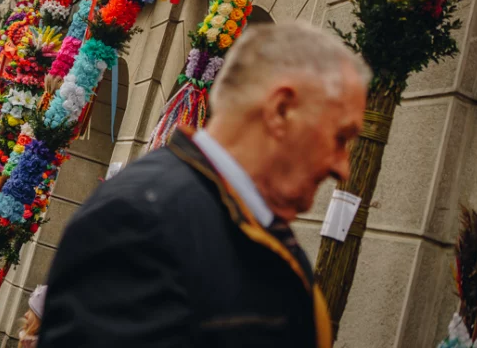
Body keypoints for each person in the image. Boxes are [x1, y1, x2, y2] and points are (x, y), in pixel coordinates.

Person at [38, 22, 370, 348]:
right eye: (339, 137)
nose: (342, 167)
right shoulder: (138, 221)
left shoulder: (253, 223)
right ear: (281, 109)